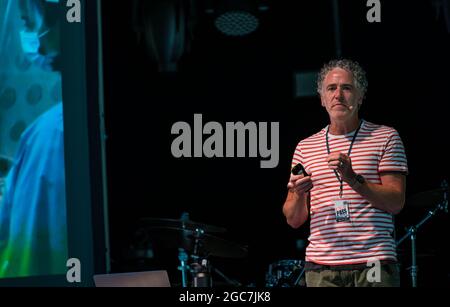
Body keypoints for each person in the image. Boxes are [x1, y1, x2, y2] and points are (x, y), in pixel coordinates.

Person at [283, 59, 408, 287]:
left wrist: (352, 178)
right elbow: (293, 219)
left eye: (347, 88)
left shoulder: (386, 137)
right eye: (331, 88)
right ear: (322, 99)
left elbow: (396, 202)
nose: (338, 95)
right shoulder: (304, 147)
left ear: (360, 96)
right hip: (322, 267)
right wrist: (299, 195)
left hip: (374, 262)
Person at [0, 0, 66, 278]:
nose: (25, 34)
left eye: (27, 22)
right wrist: (17, 171)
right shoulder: (49, 130)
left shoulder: (50, 131)